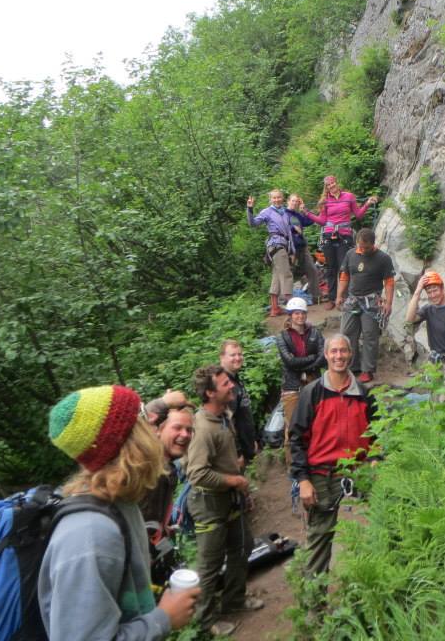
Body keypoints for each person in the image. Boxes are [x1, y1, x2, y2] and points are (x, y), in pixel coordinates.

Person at [40, 385, 199, 640]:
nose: (152, 429)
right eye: (143, 422)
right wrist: (163, 619)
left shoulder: (121, 502)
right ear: (129, 442)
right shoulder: (90, 536)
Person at [289, 334, 377, 583]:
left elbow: (378, 431)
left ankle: (367, 595)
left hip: (358, 472)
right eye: (334, 352)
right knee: (319, 540)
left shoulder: (362, 392)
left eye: (343, 351)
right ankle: (313, 611)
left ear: (351, 354)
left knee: (371, 529)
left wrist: (376, 457)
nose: (339, 356)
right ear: (326, 355)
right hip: (322, 475)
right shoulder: (312, 393)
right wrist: (302, 480)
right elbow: (296, 438)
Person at [185, 365, 263, 636]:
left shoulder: (223, 416)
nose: (231, 386)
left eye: (229, 381)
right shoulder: (203, 428)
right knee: (210, 565)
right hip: (208, 504)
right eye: (224, 384)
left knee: (243, 545)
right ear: (209, 393)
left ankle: (234, 600)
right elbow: (196, 473)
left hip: (231, 498)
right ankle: (206, 622)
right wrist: (235, 481)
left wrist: (242, 489)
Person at [303, 176, 378, 310]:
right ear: (326, 187)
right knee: (331, 267)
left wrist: (367, 204)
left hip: (344, 235)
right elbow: (321, 221)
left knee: (345, 266)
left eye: (332, 183)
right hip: (328, 234)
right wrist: (306, 212)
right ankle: (332, 298)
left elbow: (358, 214)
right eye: (328, 185)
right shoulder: (325, 201)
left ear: (337, 182)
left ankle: (349, 296)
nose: (331, 186)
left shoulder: (349, 196)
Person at [336, 228, 394, 384]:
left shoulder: (383, 258)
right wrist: (339, 295)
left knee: (370, 336)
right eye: (360, 246)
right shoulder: (350, 254)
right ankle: (352, 366)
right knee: (347, 333)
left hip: (371, 302)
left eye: (366, 247)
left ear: (373, 244)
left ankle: (367, 370)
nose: (362, 249)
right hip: (352, 299)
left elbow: (389, 282)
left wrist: (388, 303)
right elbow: (344, 275)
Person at [274, 297, 326, 467]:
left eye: (302, 313)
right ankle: (294, 467)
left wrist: (305, 361)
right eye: (296, 313)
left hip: (313, 382)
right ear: (290, 315)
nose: (300, 316)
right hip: (292, 385)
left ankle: (316, 460)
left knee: (317, 421)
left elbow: (323, 357)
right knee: (292, 426)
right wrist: (311, 359)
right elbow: (289, 362)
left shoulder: (315, 333)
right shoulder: (282, 336)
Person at [140, 393, 195, 546]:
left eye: (189, 430)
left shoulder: (169, 467)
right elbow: (130, 434)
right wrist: (162, 404)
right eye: (177, 428)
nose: (185, 435)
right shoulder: (146, 463)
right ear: (157, 430)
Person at [247, 189, 295, 316]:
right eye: (274, 198)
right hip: (275, 244)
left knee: (276, 275)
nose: (277, 200)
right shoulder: (266, 212)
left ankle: (274, 308)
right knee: (286, 274)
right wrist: (250, 209)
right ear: (270, 199)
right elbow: (253, 224)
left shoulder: (286, 212)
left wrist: (292, 250)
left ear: (282, 198)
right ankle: (292, 307)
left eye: (279, 197)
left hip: (283, 244)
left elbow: (290, 232)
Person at [219, 339, 258, 467]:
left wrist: (252, 441)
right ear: (222, 358)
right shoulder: (225, 386)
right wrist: (237, 452)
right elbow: (225, 422)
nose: (238, 358)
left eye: (240, 354)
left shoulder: (235, 380)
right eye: (232, 355)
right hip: (233, 456)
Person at [404, 271, 445, 367]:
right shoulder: (428, 309)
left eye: (435, 290)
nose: (432, 295)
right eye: (429, 292)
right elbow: (409, 320)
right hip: (435, 358)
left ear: (442, 288)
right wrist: (417, 292)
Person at [286, 193, 323, 304]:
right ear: (288, 201)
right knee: (288, 273)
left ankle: (316, 297)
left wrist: (304, 209)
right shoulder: (284, 214)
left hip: (302, 246)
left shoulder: (298, 215)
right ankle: (285, 299)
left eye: (297, 201)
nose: (295, 203)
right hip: (290, 248)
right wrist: (293, 228)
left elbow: (310, 221)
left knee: (312, 270)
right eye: (293, 200)